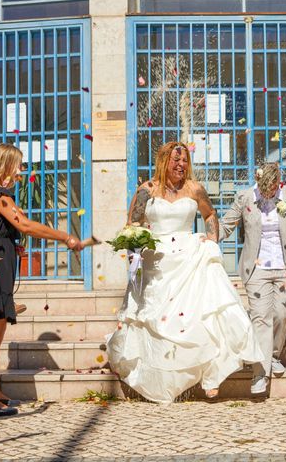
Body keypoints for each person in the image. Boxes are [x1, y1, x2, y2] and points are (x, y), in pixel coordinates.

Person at [107, 141, 263, 403]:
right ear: (164, 162)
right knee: (159, 319)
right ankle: (158, 377)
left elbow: (210, 214)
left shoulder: (195, 189)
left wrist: (211, 241)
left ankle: (210, 375)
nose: (181, 165)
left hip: (188, 256)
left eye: (184, 161)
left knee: (197, 317)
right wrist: (136, 243)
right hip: (156, 260)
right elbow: (132, 223)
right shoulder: (147, 190)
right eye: (175, 161)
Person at [0, 143, 84, 416]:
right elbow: (24, 224)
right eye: (17, 164)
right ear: (4, 166)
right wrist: (64, 236)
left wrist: (11, 243)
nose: (21, 170)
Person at [218, 162, 286, 395]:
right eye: (264, 189)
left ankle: (273, 355)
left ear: (278, 183)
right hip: (256, 269)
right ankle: (260, 373)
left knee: (281, 314)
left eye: (272, 190)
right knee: (260, 318)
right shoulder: (245, 197)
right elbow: (226, 226)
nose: (268, 194)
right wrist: (207, 239)